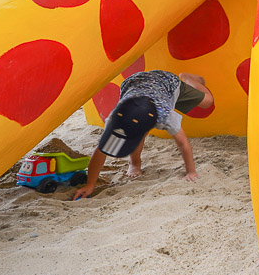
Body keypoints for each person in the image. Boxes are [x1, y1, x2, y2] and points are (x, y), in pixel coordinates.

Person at [74, 71, 214, 199]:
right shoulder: (115, 118)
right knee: (136, 133)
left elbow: (183, 144)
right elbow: (101, 150)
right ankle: (135, 164)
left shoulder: (165, 115)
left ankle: (188, 78)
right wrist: (90, 185)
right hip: (133, 82)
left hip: (168, 82)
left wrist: (191, 171)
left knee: (207, 101)